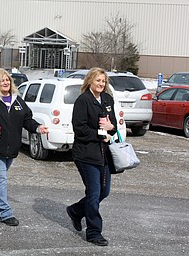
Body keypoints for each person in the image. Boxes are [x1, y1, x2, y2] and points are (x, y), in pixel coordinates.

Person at [0, 68, 48, 226]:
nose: (5, 83)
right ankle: (5, 213)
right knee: (1, 178)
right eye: (1, 81)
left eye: (7, 80)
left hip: (11, 148)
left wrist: (38, 128)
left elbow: (27, 120)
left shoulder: (17, 100)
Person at [66, 67, 117, 246]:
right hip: (86, 154)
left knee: (104, 191)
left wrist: (111, 128)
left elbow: (114, 125)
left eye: (103, 81)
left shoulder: (107, 99)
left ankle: (75, 211)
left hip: (104, 154)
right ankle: (94, 232)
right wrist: (100, 133)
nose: (101, 84)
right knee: (94, 193)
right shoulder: (83, 101)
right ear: (90, 81)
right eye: (98, 81)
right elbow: (79, 129)